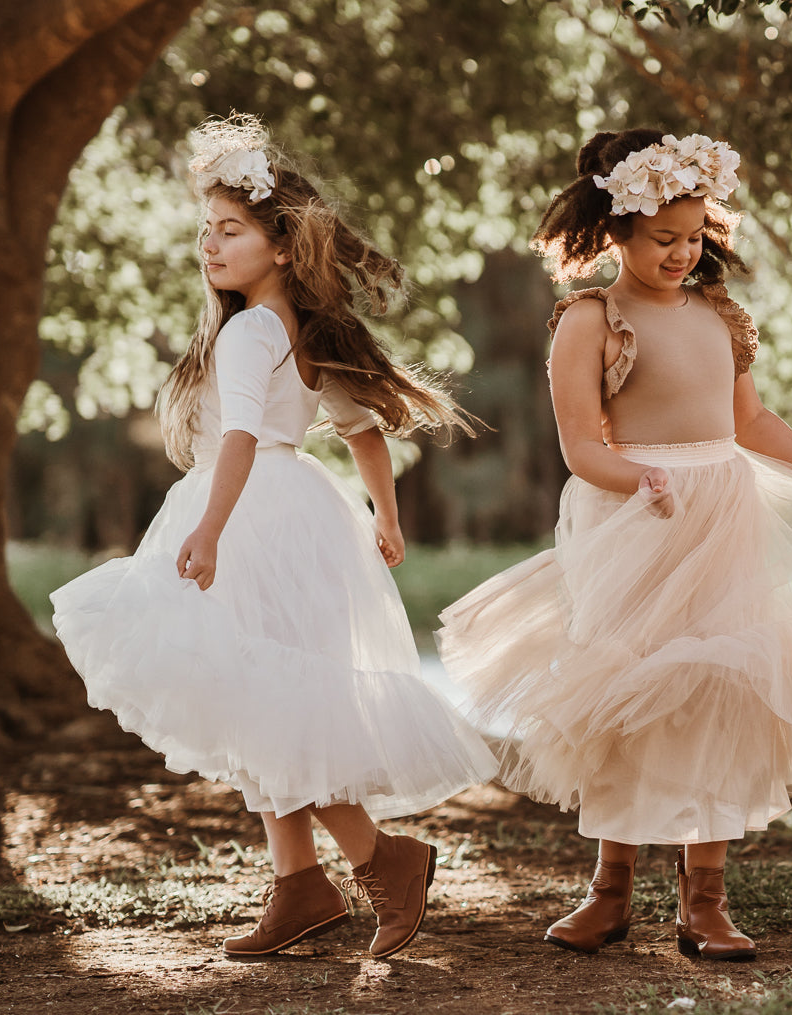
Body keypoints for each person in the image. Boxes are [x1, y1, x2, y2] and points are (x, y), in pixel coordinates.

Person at [437, 129, 792, 961]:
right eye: (664, 239)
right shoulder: (590, 320)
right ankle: (609, 887)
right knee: (627, 695)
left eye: (694, 236)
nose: (681, 253)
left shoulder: (717, 317)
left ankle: (705, 898)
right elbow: (580, 447)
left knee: (718, 689)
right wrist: (640, 483)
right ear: (615, 229)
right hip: (636, 521)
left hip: (722, 517)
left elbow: (750, 423)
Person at [51, 114, 496, 961]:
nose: (210, 246)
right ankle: (300, 883)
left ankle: (383, 859)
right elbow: (363, 430)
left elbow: (242, 438)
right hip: (300, 515)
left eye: (231, 230)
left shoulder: (251, 330)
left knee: (264, 701)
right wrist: (384, 516)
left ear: (282, 245)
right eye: (205, 231)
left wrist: (211, 528)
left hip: (248, 510)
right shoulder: (295, 324)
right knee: (261, 701)